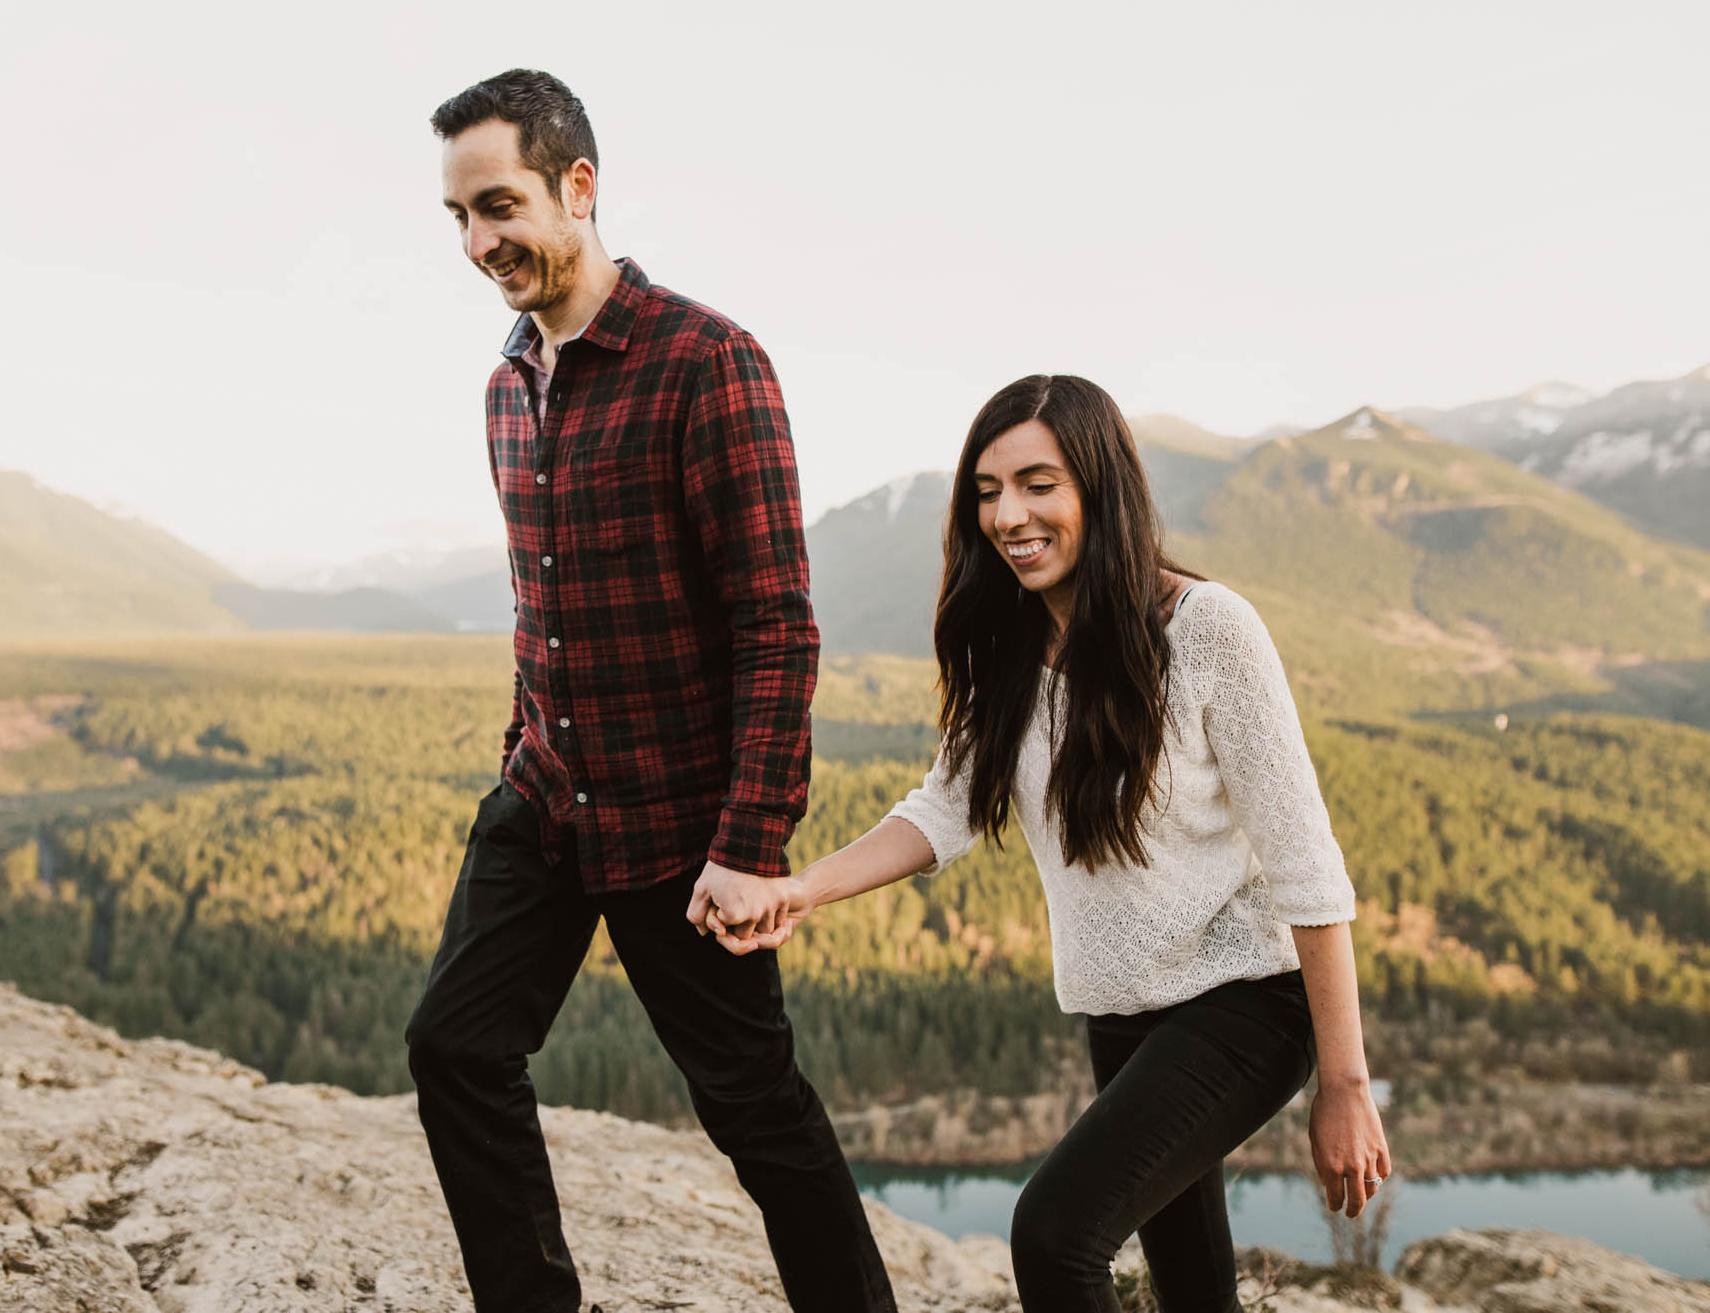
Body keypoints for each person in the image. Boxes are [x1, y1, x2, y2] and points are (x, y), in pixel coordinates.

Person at [708, 375, 1392, 1311]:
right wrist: (797, 890)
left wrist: (1347, 1082)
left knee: (1056, 1233)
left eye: (1039, 483)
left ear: (1099, 488)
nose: (1008, 514)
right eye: (988, 491)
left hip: (1247, 1002)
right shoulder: (1009, 644)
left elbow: (1308, 867)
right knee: (1193, 1289)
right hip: (1123, 1014)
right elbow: (942, 809)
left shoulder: (1208, 629)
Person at [403, 68, 897, 1313]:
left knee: (753, 1111)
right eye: (458, 215)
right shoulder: (506, 382)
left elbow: (775, 626)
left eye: (500, 204)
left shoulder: (708, 362)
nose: (479, 241)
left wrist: (747, 844)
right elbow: (542, 598)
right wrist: (525, 744)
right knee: (454, 1045)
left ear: (578, 186)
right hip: (545, 797)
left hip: (682, 825)